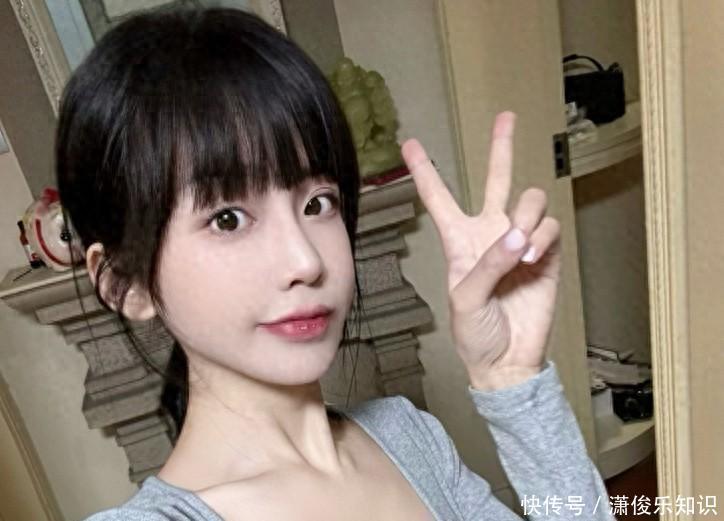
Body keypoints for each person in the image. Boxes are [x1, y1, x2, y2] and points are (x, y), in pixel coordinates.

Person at [56, 6, 614, 521]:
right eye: (227, 218)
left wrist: (510, 381)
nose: (305, 260)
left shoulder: (408, 438)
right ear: (126, 284)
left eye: (317, 203)